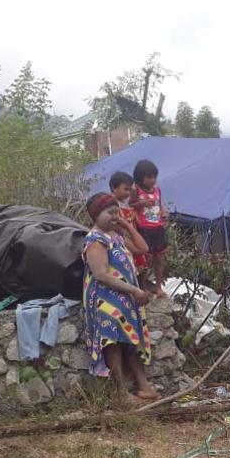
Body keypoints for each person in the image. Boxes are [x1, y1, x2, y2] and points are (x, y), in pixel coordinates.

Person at [81, 193, 158, 401]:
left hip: (124, 297)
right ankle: (121, 393)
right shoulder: (95, 239)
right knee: (112, 341)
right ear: (96, 214)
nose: (114, 216)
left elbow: (143, 248)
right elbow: (101, 274)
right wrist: (134, 290)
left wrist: (126, 225)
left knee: (131, 339)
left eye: (117, 212)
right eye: (109, 212)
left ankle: (143, 386)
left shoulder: (116, 236)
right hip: (105, 297)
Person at [130, 159, 169, 298]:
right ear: (140, 177)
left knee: (159, 258)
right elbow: (130, 205)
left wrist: (163, 213)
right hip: (144, 228)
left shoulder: (157, 190)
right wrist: (143, 202)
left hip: (158, 227)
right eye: (149, 177)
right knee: (147, 259)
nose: (153, 180)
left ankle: (158, 287)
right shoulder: (136, 190)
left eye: (154, 177)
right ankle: (143, 286)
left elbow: (160, 204)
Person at [109, 171, 150, 291]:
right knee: (129, 266)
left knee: (140, 264)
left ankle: (141, 291)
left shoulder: (122, 204)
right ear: (113, 188)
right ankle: (136, 292)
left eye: (129, 190)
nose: (128, 193)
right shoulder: (110, 205)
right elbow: (116, 227)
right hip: (121, 240)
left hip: (131, 238)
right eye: (125, 189)